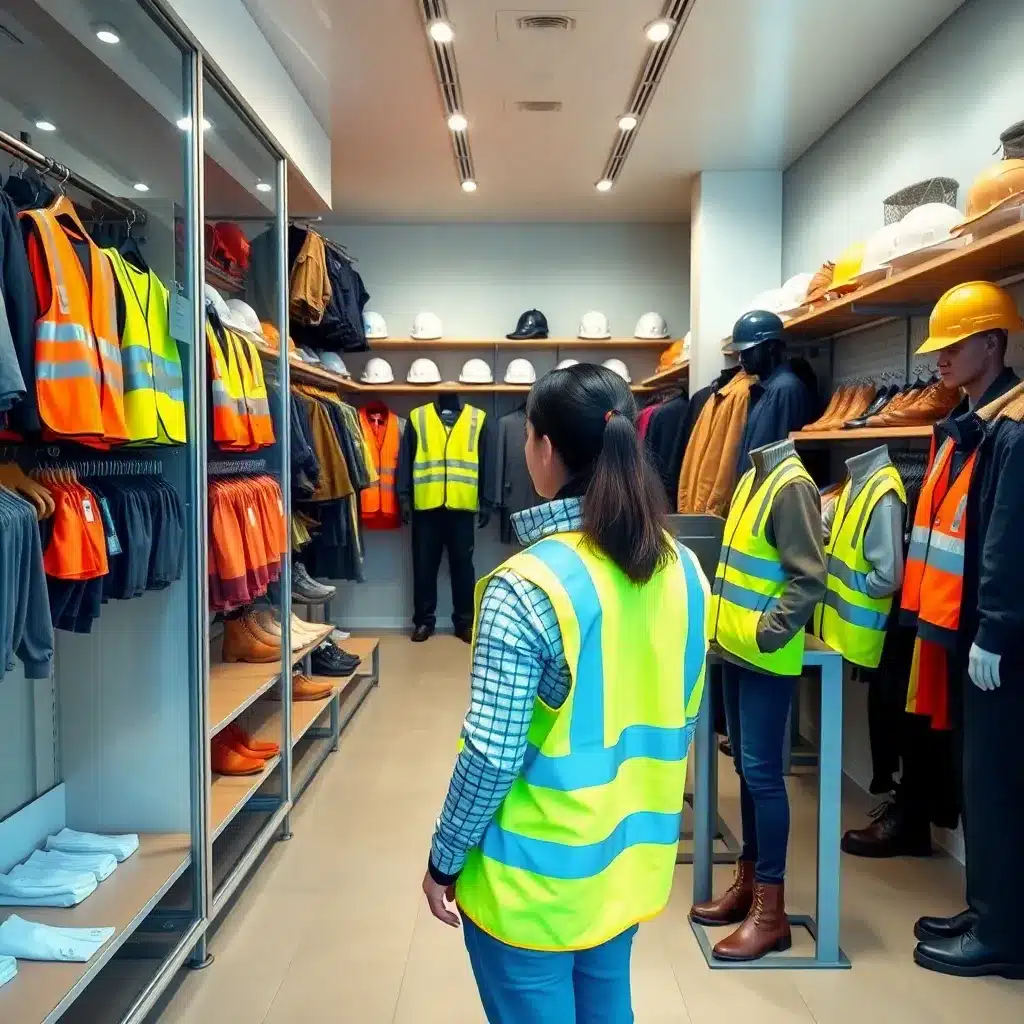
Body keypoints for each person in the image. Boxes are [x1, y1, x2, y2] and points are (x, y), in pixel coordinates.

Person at [422, 363, 710, 1023]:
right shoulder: (684, 569)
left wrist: (444, 860)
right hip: (627, 867)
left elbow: (490, 755)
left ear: (545, 448)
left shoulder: (526, 584)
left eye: (529, 437)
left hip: (533, 884)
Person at [899, 281, 1024, 978]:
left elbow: (1009, 538)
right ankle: (989, 909)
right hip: (969, 632)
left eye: (954, 345)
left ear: (993, 343)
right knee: (979, 781)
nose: (940, 359)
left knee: (997, 785)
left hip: (998, 646)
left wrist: (998, 629)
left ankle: (1004, 934)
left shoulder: (1013, 426)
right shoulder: (977, 421)